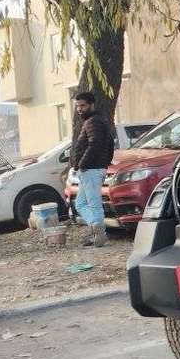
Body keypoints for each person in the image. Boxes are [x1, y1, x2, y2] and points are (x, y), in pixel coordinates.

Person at [71, 92, 114, 247]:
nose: (79, 109)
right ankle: (97, 231)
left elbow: (95, 144)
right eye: (77, 106)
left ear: (91, 105)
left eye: (82, 105)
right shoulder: (97, 120)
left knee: (93, 203)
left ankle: (99, 233)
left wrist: (82, 164)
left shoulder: (93, 122)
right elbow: (109, 143)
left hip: (91, 169)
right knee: (80, 204)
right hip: (93, 169)